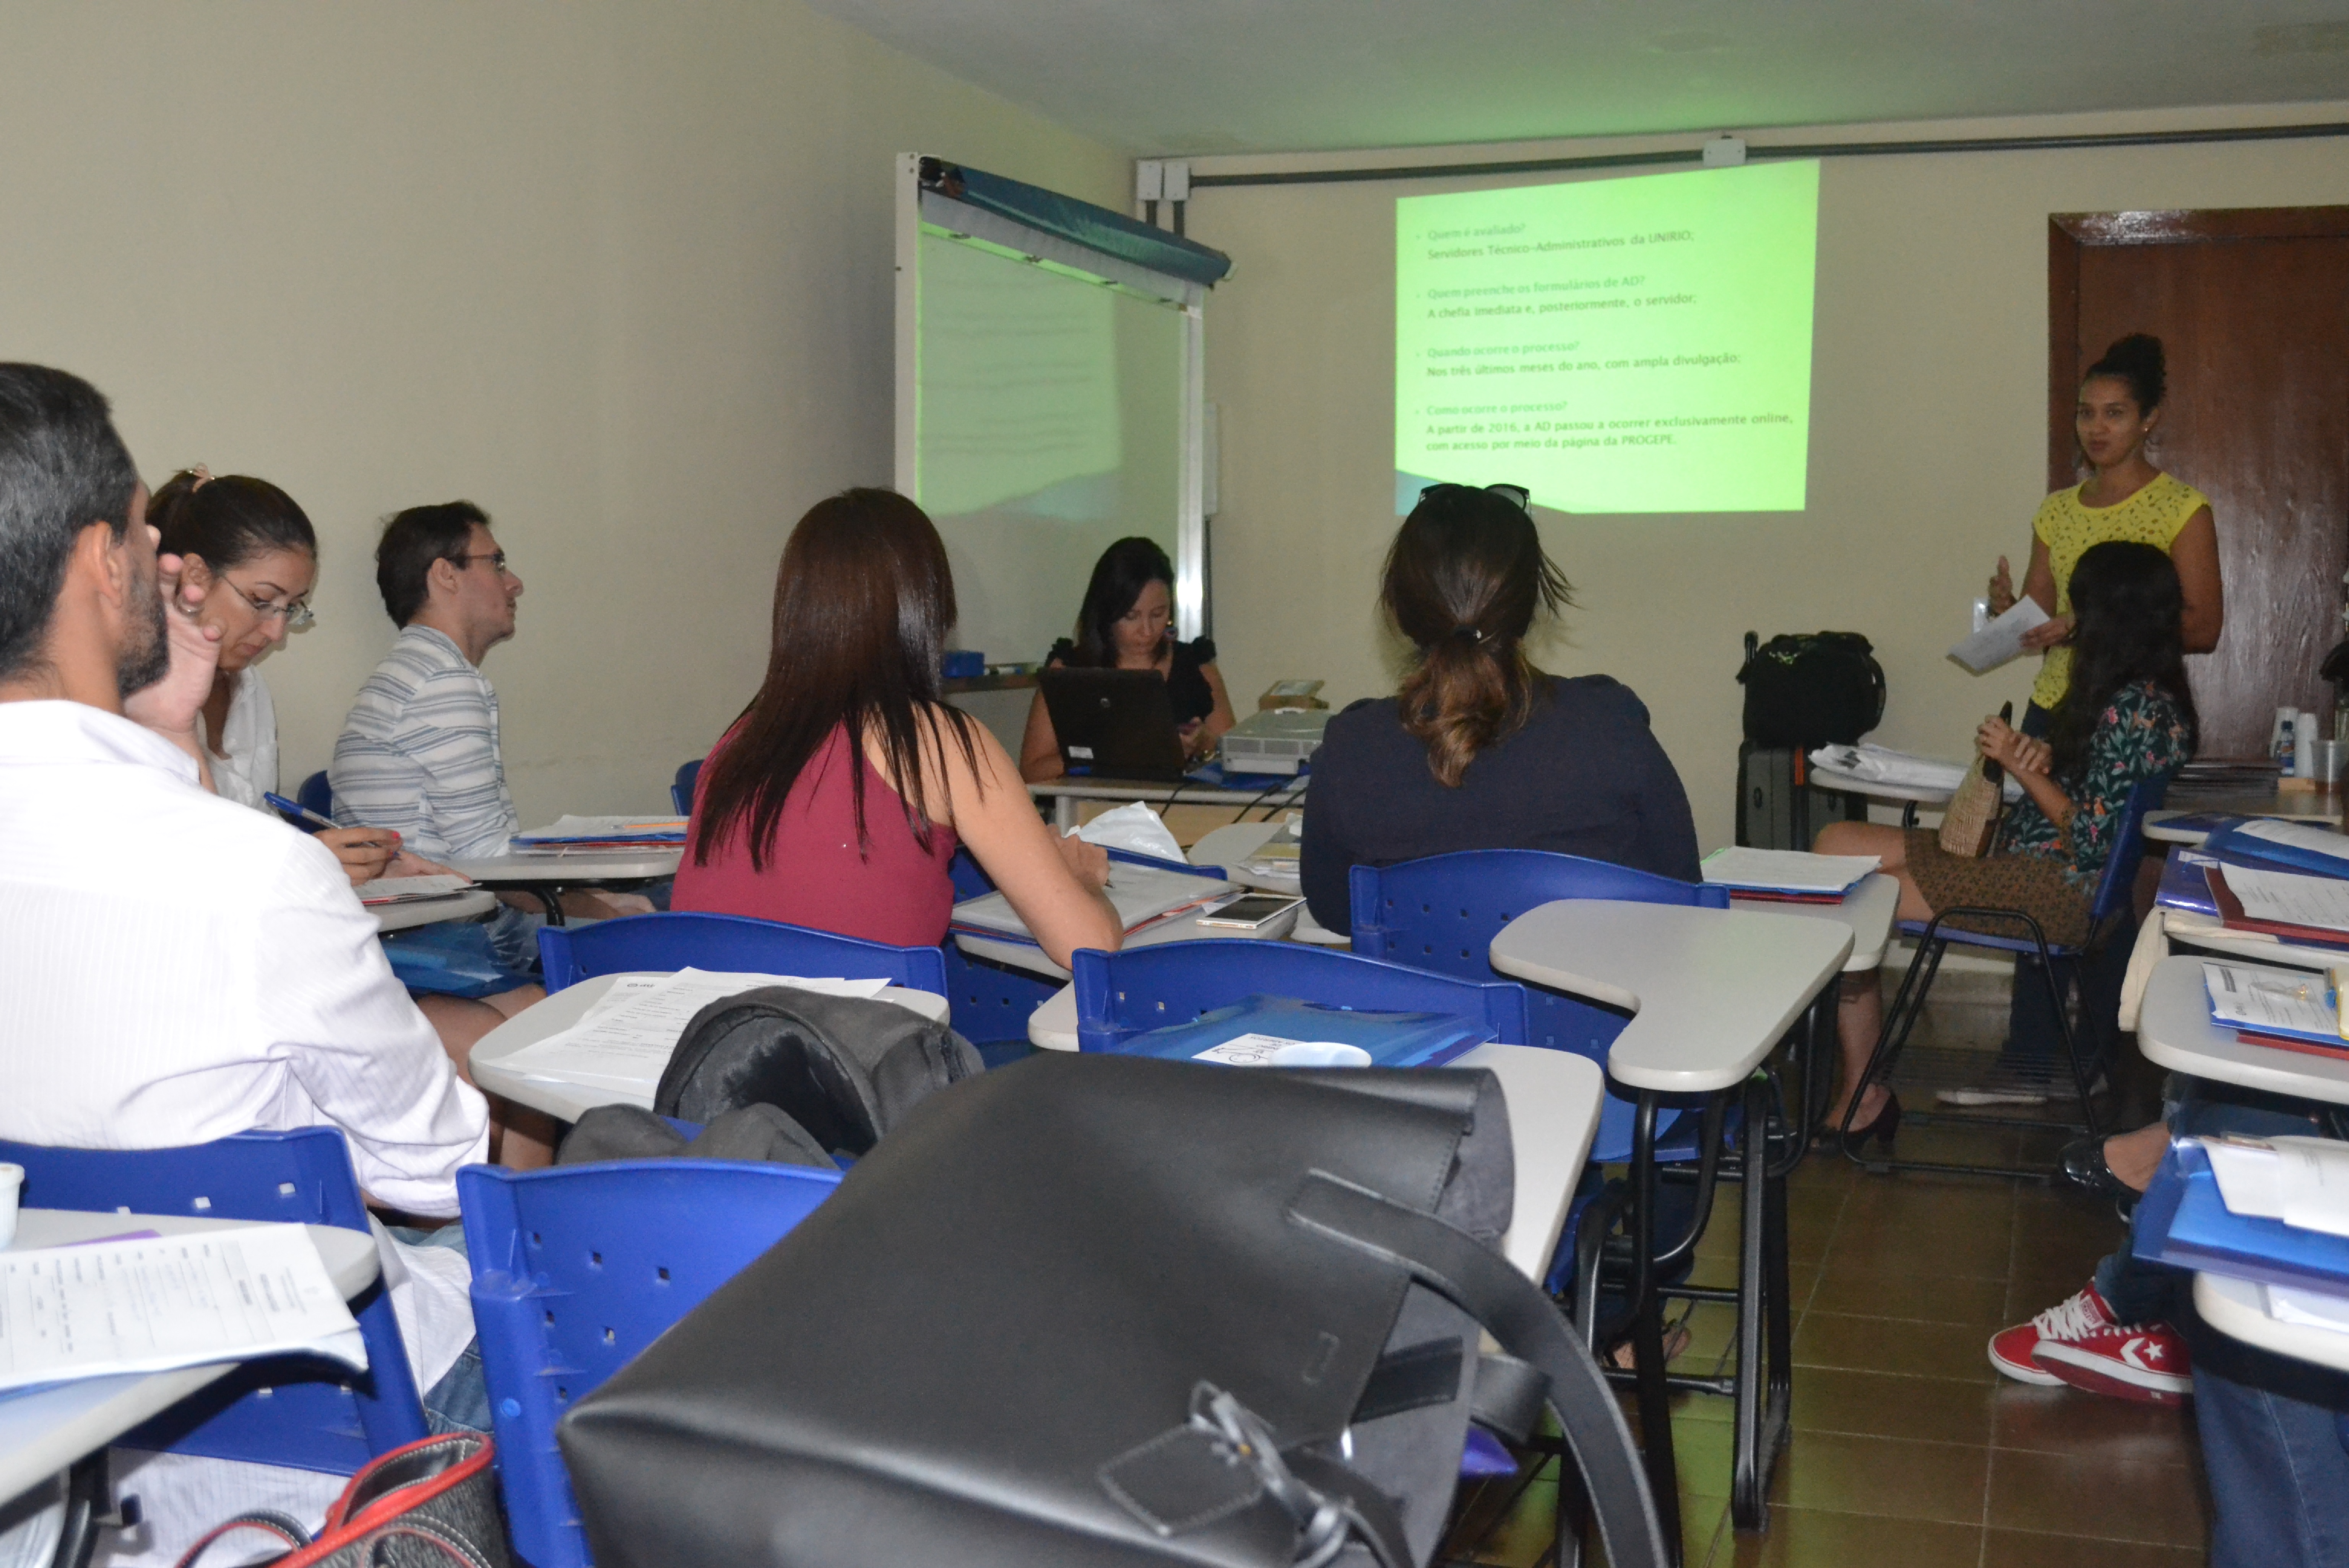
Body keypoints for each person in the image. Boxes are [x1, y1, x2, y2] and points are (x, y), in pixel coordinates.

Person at [0, 364, 492, 1563]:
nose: (158, 547)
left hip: (62, 1457)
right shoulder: (251, 875)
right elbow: (439, 1168)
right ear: (99, 560)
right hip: (313, 1433)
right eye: (140, 527)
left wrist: (166, 732)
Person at [1815, 541, 2197, 1143]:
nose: (2074, 622)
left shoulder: (2135, 709)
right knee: (1836, 842)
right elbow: (2098, 793)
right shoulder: (2134, 697)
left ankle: (1863, 1092)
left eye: (2082, 608)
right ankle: (1852, 1068)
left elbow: (2092, 841)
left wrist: (2021, 768)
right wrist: (2042, 758)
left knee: (1855, 901)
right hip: (2027, 862)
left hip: (2058, 889)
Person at [675, 488, 1122, 969]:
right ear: (925, 609)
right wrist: (1080, 879)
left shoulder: (737, 743)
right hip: (859, 1019)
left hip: (712, 1018)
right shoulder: (940, 742)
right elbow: (1088, 944)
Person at [1299, 482, 1701, 933]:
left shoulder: (1353, 748)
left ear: (1400, 610)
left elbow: (1335, 910)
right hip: (1588, 982)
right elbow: (1682, 891)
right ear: (1529, 606)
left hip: (1424, 985)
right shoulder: (1610, 725)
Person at [1986, 332, 2222, 729]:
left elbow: (2203, 629)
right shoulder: (2056, 510)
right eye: (2086, 413)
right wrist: (2007, 610)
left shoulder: (2182, 509)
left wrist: (2088, 626)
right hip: (2054, 707)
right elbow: (2040, 621)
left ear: (2148, 419)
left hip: (2134, 714)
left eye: (2114, 414)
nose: (2097, 429)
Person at [1017, 536, 1236, 782]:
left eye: (1158, 614)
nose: (1147, 630)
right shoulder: (1069, 671)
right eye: (1131, 617)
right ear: (1106, 614)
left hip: (1179, 805)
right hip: (1093, 805)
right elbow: (1032, 771)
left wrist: (1206, 745)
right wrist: (1119, 752)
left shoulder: (1197, 667)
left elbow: (1237, 765)